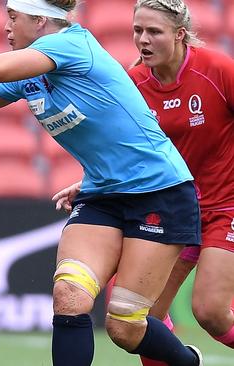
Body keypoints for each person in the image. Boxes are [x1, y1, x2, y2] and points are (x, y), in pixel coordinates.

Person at [0, 0, 204, 364]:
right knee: (69, 297)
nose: (7, 27)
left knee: (124, 325)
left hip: (158, 193)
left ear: (41, 20)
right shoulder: (33, 71)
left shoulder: (70, 45)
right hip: (102, 195)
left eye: (14, 18)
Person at [57, 1, 234, 365]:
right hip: (173, 208)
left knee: (210, 311)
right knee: (136, 321)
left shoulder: (216, 70)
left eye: (154, 32)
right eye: (138, 31)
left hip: (225, 205)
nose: (143, 40)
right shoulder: (133, 82)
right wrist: (88, 181)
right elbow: (124, 147)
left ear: (179, 34)